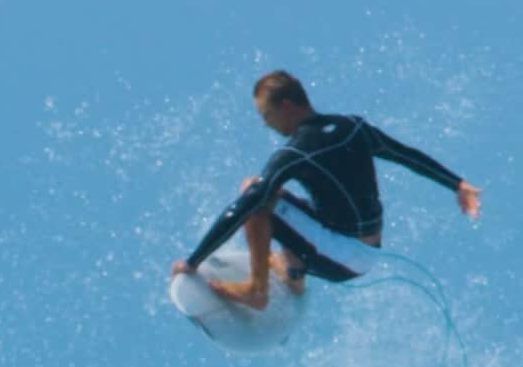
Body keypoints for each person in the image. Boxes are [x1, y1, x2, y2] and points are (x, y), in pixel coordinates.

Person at [171, 71, 481, 309]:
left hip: (345, 256)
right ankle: (292, 269)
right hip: (367, 247)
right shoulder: (353, 127)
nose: (267, 125)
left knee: (255, 197)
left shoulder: (294, 153)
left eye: (267, 115)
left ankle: (257, 290)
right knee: (269, 194)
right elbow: (403, 154)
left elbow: (246, 206)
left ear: (287, 106)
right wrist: (457, 183)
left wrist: (193, 261)